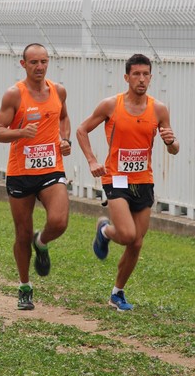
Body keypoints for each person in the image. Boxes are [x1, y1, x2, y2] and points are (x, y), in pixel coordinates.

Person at [76, 53, 179, 311]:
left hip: (143, 180)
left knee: (136, 242)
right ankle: (105, 231)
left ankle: (116, 294)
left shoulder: (159, 109)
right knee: (126, 234)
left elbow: (174, 148)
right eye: (136, 74)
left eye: (146, 74)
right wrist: (91, 160)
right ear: (126, 77)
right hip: (116, 178)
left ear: (151, 77)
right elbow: (82, 130)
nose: (141, 79)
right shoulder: (111, 105)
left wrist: (170, 141)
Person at [0, 43, 72, 310]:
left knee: (59, 221)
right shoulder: (14, 95)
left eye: (44, 62)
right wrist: (20, 133)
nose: (39, 67)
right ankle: (25, 286)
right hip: (21, 172)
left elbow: (64, 118)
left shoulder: (58, 91)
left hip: (51, 168)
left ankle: (43, 241)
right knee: (22, 233)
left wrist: (65, 139)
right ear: (23, 64)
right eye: (34, 62)